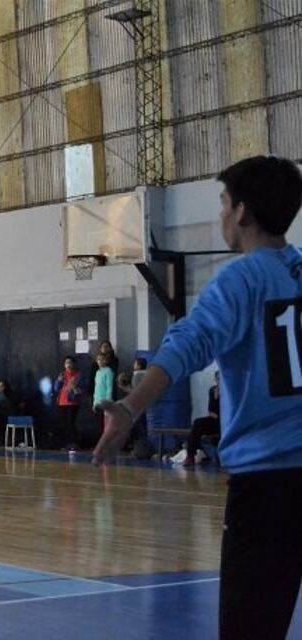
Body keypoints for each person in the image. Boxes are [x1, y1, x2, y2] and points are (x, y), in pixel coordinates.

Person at [94, 156, 302, 640]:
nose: (221, 216)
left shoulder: (241, 279)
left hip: (267, 486)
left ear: (243, 212)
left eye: (224, 204)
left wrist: (130, 406)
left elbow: (186, 345)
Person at [182, 371, 221, 468]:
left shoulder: (230, 391)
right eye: (217, 379)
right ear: (215, 380)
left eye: (221, 379)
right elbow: (211, 411)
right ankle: (190, 455)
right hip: (216, 420)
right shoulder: (213, 390)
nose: (219, 381)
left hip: (228, 421)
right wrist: (216, 399)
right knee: (197, 423)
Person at [54, 356, 83, 453]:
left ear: (73, 364)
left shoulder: (78, 375)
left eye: (70, 362)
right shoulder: (62, 374)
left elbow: (82, 389)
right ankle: (67, 443)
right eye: (66, 363)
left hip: (73, 402)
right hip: (62, 402)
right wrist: (58, 381)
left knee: (70, 422)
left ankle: (74, 443)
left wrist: (76, 388)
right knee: (64, 423)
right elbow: (56, 389)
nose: (68, 365)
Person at [92, 354, 114, 432]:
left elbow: (109, 387)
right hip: (97, 402)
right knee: (99, 424)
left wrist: (108, 402)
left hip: (104, 402)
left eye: (102, 359)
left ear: (106, 361)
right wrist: (94, 403)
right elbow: (96, 388)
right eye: (98, 359)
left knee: (104, 425)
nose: (100, 361)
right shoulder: (97, 372)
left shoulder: (108, 371)